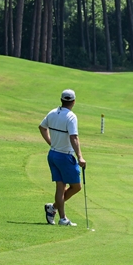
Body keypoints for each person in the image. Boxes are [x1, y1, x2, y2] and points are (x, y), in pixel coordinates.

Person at [39, 89, 86, 226]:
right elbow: (74, 137)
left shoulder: (52, 112)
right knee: (76, 187)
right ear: (73, 101)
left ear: (61, 100)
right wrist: (80, 157)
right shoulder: (71, 116)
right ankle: (56, 211)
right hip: (65, 156)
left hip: (52, 154)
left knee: (60, 187)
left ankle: (58, 213)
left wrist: (51, 143)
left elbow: (42, 128)